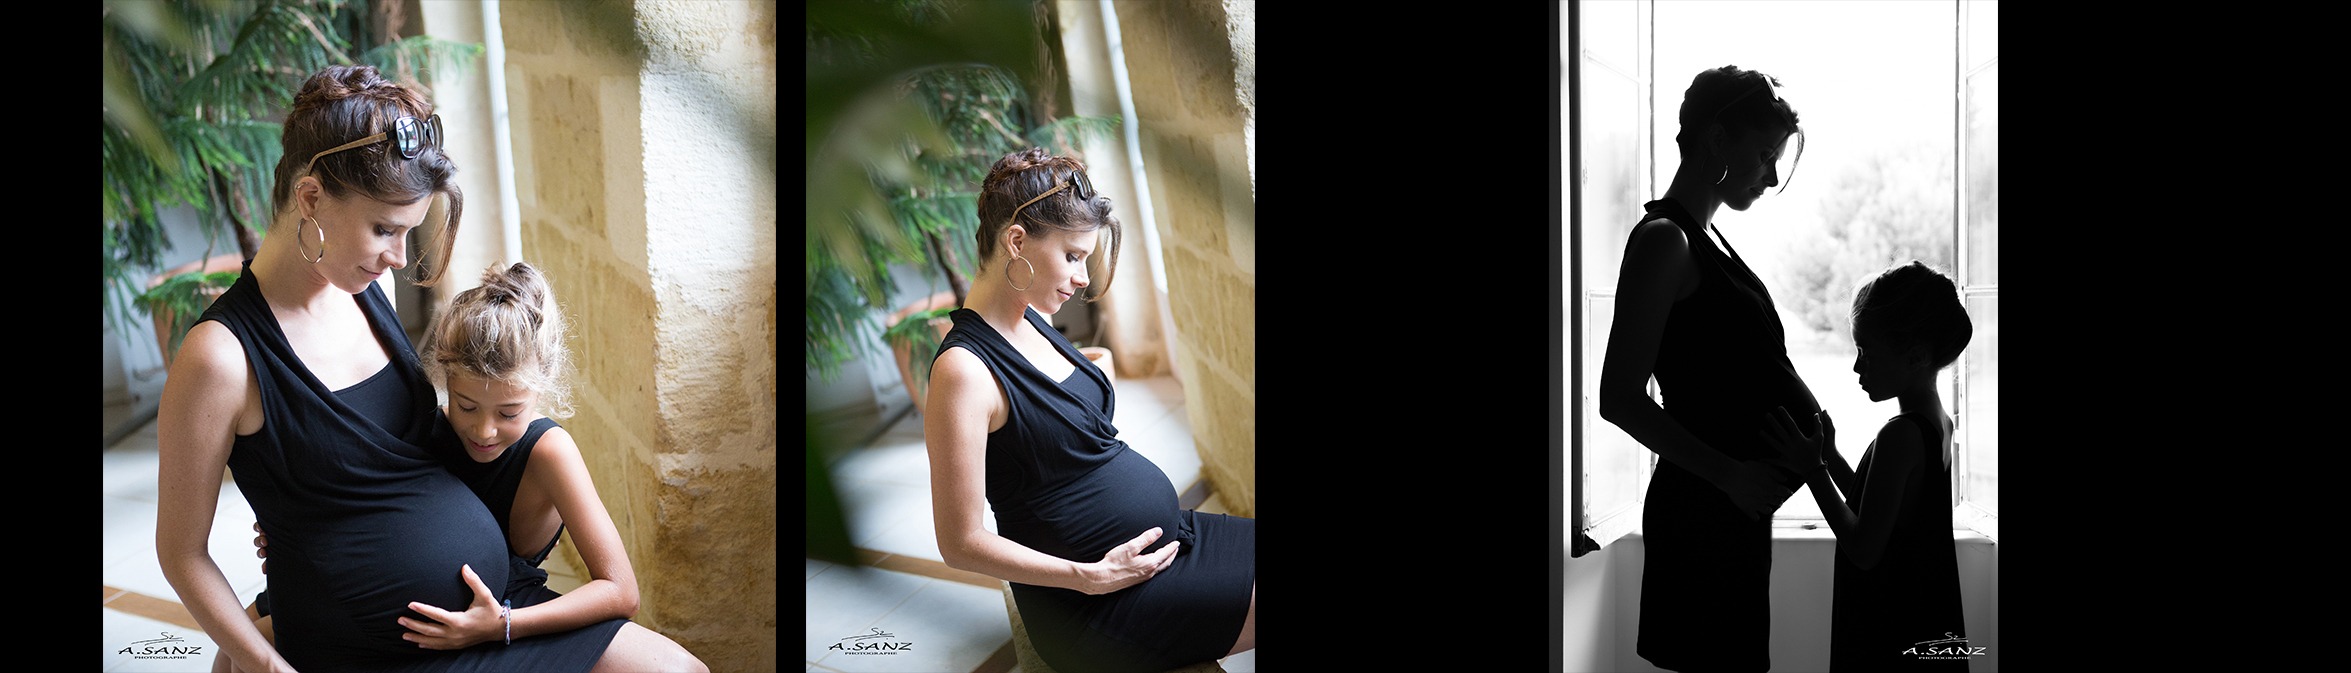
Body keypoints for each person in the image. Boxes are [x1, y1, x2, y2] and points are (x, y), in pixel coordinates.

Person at [156, 64, 609, 673]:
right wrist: (262, 663)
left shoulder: (367, 291)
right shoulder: (219, 357)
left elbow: (402, 455)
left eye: (408, 232)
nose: (398, 258)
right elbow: (181, 552)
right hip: (362, 644)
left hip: (484, 615)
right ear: (311, 196)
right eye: (383, 230)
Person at [226, 263, 709, 673]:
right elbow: (344, 484)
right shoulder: (426, 427)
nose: (483, 430)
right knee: (231, 652)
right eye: (465, 405)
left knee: (683, 669)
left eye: (508, 412)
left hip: (508, 610)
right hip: (381, 617)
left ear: (543, 387)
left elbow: (621, 591)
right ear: (444, 381)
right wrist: (291, 533)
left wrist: (500, 624)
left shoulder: (550, 451)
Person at [925, 148, 1255, 673]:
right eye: (1074, 256)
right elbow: (960, 542)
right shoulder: (963, 372)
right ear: (1016, 242)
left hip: (1171, 544)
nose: (1083, 278)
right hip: (1096, 605)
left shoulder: (1030, 318)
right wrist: (1091, 576)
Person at [1596, 65, 1817, 673]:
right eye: (1766, 153)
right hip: (1703, 512)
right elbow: (1618, 397)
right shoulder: (1665, 240)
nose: (1772, 176)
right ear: (1718, 139)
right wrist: (1730, 477)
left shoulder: (1709, 238)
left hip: (1732, 512)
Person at [1761, 261, 1971, 671]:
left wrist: (1813, 472)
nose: (1858, 367)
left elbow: (1864, 547)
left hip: (1889, 628)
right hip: (1922, 616)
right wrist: (1832, 459)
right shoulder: (1937, 424)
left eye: (1868, 354)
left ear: (1916, 356)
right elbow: (1883, 508)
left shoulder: (1901, 436)